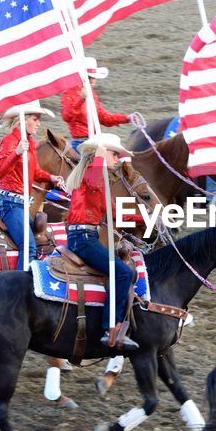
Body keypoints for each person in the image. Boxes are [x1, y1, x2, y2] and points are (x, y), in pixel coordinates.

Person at [64, 132, 139, 350]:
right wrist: (99, 157)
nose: (117, 159)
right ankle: (110, 328)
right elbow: (96, 181)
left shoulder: (92, 177)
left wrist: (147, 217)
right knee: (123, 273)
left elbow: (113, 209)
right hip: (84, 238)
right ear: (103, 153)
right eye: (114, 154)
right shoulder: (93, 173)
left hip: (83, 236)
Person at [0, 101, 66, 269]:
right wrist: (17, 153)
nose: (39, 123)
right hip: (9, 203)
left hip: (20, 203)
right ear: (23, 119)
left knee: (40, 242)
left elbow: (34, 171)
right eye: (35, 119)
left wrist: (51, 177)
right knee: (29, 247)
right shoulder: (9, 141)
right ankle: (20, 286)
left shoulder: (30, 142)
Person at [60, 81, 129, 150]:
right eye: (89, 77)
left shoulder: (92, 93)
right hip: (81, 142)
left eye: (93, 78)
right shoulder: (69, 93)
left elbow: (104, 117)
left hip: (94, 139)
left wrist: (127, 118)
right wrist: (81, 99)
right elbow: (66, 116)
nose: (92, 81)